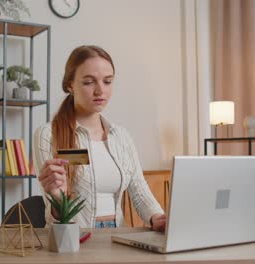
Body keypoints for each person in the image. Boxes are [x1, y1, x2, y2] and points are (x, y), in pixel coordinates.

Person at [33, 45, 166, 231]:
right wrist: (58, 201)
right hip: (73, 237)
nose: (99, 90)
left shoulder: (121, 136)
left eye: (107, 81)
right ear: (70, 85)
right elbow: (53, 213)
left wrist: (157, 217)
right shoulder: (48, 134)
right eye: (88, 82)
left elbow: (138, 189)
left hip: (116, 235)